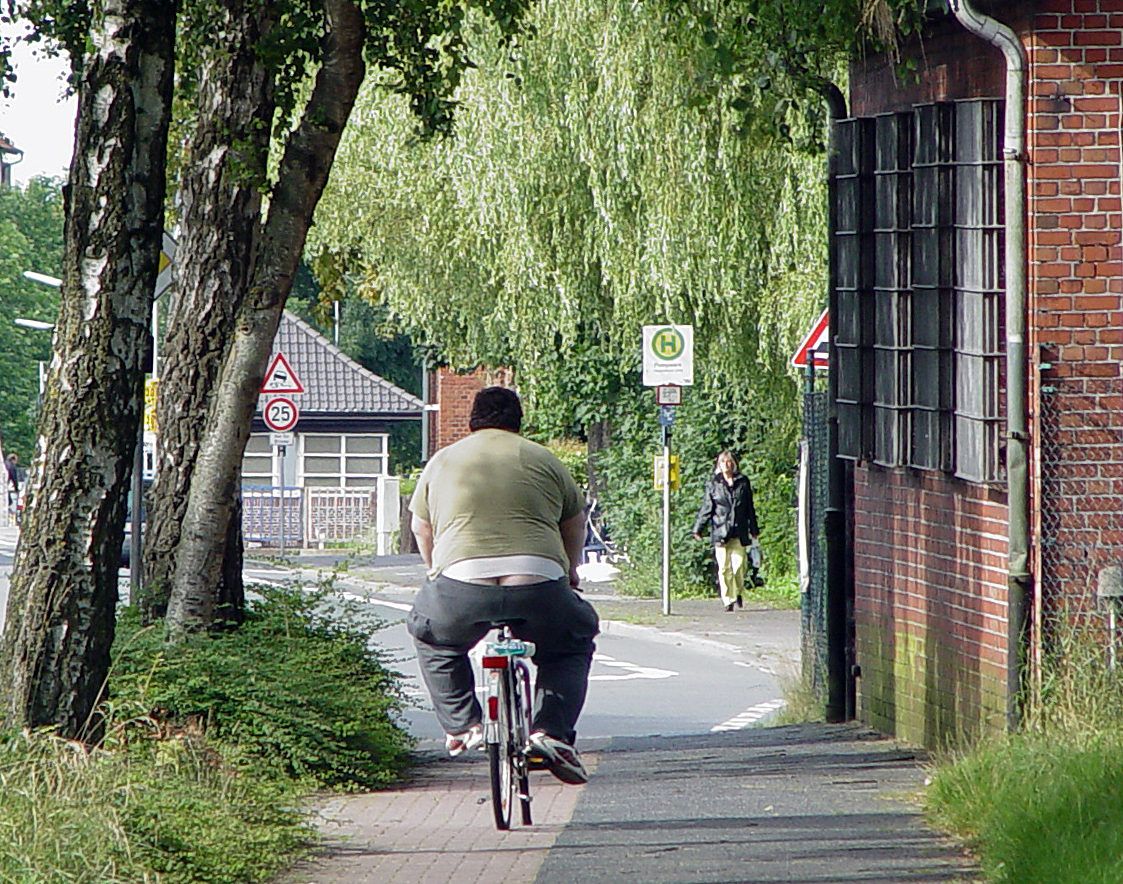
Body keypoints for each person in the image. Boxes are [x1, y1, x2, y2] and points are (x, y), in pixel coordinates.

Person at [407, 386, 599, 785]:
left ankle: (464, 725)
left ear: (473, 420)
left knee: (433, 638)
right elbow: (575, 522)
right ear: (518, 422)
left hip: (461, 583)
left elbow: (420, 528)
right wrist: (570, 571)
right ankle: (550, 732)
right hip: (539, 583)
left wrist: (434, 570)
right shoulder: (544, 459)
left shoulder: (442, 461)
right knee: (570, 643)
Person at [692, 450, 760, 612]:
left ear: (733, 464)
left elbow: (749, 507)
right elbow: (707, 507)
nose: (726, 465)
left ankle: (737, 592)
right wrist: (698, 528)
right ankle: (728, 599)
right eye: (723, 462)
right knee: (724, 568)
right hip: (720, 531)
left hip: (739, 531)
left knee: (738, 567)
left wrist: (754, 529)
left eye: (729, 462)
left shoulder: (743, 482)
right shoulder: (714, 484)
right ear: (719, 465)